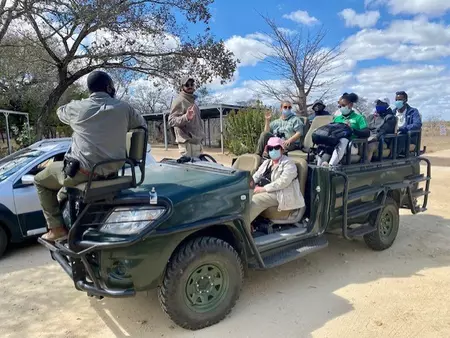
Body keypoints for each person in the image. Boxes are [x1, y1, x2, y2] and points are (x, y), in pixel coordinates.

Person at [34, 71, 147, 242]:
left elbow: (60, 112)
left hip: (83, 173)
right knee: (64, 191)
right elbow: (141, 125)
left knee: (40, 180)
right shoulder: (124, 108)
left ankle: (56, 229)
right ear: (109, 87)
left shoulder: (77, 107)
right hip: (114, 170)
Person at [250, 137, 305, 225]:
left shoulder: (289, 164)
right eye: (270, 148)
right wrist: (249, 185)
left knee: (254, 200)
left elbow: (283, 182)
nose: (273, 150)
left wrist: (262, 189)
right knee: (243, 196)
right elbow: (256, 176)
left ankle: (243, 228)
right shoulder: (267, 163)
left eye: (276, 148)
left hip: (281, 194)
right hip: (267, 191)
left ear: (282, 150)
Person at [317, 93, 369, 167]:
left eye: (343, 105)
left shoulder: (359, 118)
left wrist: (352, 129)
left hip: (351, 146)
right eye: (339, 106)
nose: (341, 107)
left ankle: (331, 166)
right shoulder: (337, 118)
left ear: (350, 105)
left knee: (343, 140)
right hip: (335, 144)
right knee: (324, 146)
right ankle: (319, 168)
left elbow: (367, 133)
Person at [168, 76, 205, 158]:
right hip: (187, 144)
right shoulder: (179, 101)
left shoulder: (194, 103)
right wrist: (186, 117)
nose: (190, 86)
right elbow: (171, 121)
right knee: (189, 170)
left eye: (192, 84)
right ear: (182, 87)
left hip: (197, 143)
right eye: (187, 85)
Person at [392, 91, 422, 155]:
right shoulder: (393, 112)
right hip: (393, 136)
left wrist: (402, 128)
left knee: (400, 139)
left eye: (400, 100)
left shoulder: (413, 112)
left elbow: (417, 124)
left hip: (408, 138)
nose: (397, 102)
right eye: (396, 100)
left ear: (405, 100)